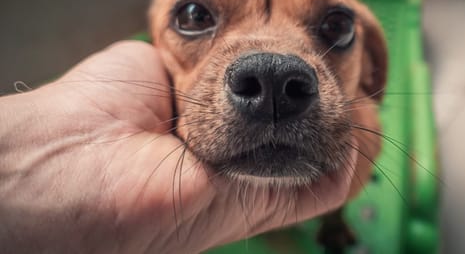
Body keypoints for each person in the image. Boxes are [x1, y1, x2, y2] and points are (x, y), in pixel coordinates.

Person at [0, 41, 356, 253]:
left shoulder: (360, 138)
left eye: (334, 29)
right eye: (196, 18)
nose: (272, 71)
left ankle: (334, 223)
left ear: (373, 67)